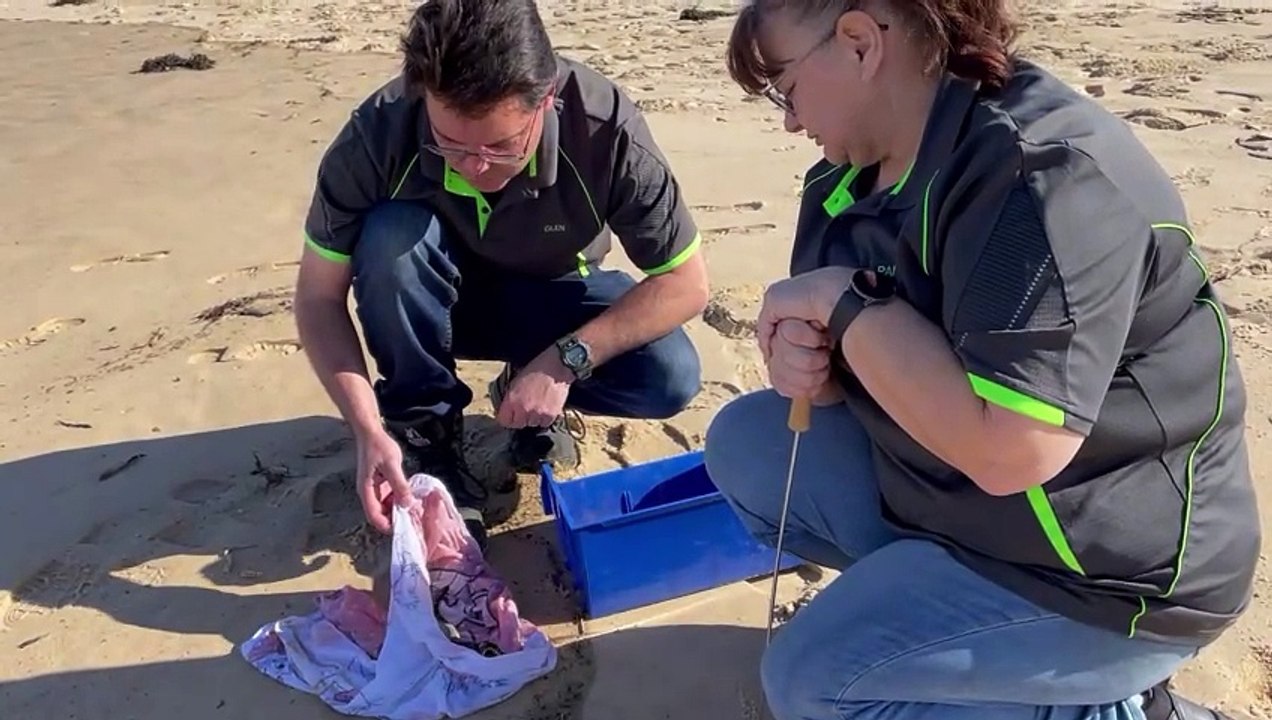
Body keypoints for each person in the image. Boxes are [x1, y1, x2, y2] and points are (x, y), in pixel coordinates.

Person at [702, 1, 1260, 719]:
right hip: (961, 507)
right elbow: (854, 385)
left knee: (812, 682)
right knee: (752, 442)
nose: (787, 119)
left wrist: (846, 305)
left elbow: (1012, 452)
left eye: (785, 86)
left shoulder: (1039, 175)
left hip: (1106, 577)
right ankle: (976, 654)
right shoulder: (847, 182)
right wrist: (803, 362)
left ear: (859, 42)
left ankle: (1104, 705)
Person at [294, 0, 709, 549]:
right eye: (452, 145)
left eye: (500, 146)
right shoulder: (375, 135)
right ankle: (426, 437)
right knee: (393, 240)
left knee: (670, 374)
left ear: (547, 99)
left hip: (556, 298)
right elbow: (318, 299)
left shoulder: (605, 129)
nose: (475, 166)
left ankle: (529, 389)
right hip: (432, 307)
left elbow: (686, 283)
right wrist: (367, 428)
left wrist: (566, 361)